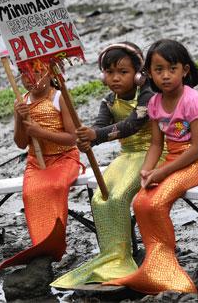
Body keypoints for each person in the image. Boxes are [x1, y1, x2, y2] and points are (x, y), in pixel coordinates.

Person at [104, 39, 198, 294]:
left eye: (172, 69)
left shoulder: (193, 101)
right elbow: (156, 144)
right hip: (172, 159)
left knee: (155, 202)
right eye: (158, 69)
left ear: (184, 70)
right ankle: (156, 266)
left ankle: (169, 270)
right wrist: (147, 169)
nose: (165, 76)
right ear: (149, 73)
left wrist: (163, 171)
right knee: (141, 202)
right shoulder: (154, 104)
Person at [51, 41, 159, 288]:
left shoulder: (148, 96)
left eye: (123, 72)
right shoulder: (108, 101)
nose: (116, 78)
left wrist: (96, 136)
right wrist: (86, 139)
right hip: (126, 156)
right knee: (101, 197)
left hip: (151, 155)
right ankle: (111, 255)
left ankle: (124, 259)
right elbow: (99, 127)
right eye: (110, 72)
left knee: (119, 196)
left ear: (139, 73)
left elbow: (132, 124)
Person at [0, 60, 80, 279]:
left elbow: (72, 138)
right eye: (24, 73)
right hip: (36, 162)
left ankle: (55, 240)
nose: (30, 78)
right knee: (31, 193)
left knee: (54, 186)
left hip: (63, 157)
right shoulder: (22, 102)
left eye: (37, 72)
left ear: (50, 73)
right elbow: (21, 143)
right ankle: (41, 244)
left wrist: (42, 133)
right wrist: (20, 119)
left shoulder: (59, 97)